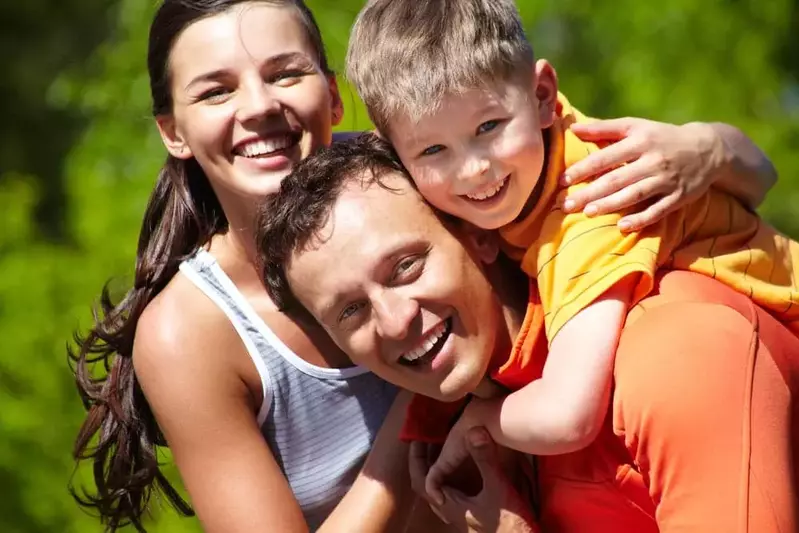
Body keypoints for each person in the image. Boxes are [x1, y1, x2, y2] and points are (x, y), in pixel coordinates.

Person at [66, 0, 781, 531]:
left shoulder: (435, 163)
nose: (259, 107)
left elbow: (536, 131)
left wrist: (709, 148)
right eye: (215, 89)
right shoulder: (193, 330)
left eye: (285, 73)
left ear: (472, 231)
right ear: (172, 129)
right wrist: (428, 414)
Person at [344, 0, 799, 487]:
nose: (473, 168)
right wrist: (712, 142)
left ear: (542, 95)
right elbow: (761, 173)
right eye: (434, 150)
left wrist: (481, 422)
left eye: (488, 128)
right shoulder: (542, 139)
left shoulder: (589, 209)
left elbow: (568, 416)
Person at [256, 134, 799, 532]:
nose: (396, 321)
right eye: (351, 312)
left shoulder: (677, 353)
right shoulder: (448, 453)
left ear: (477, 235)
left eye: (406, 267)